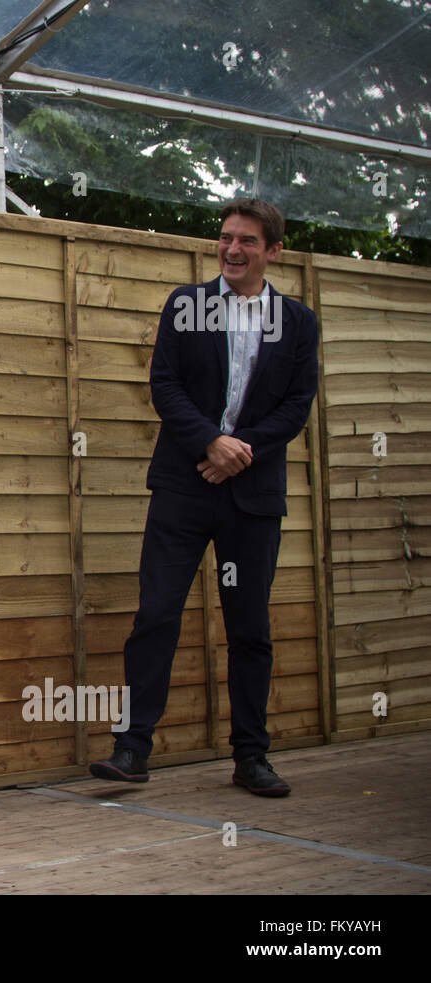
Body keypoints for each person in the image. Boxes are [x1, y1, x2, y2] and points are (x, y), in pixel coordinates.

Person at [89, 198, 319, 797]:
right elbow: (162, 384)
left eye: (247, 241)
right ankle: (132, 748)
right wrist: (211, 443)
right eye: (225, 239)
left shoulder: (298, 322)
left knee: (249, 627)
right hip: (182, 491)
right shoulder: (186, 306)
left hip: (252, 497)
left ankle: (251, 756)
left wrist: (239, 451)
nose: (232, 250)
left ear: (273, 250)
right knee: (156, 615)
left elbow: (297, 404)